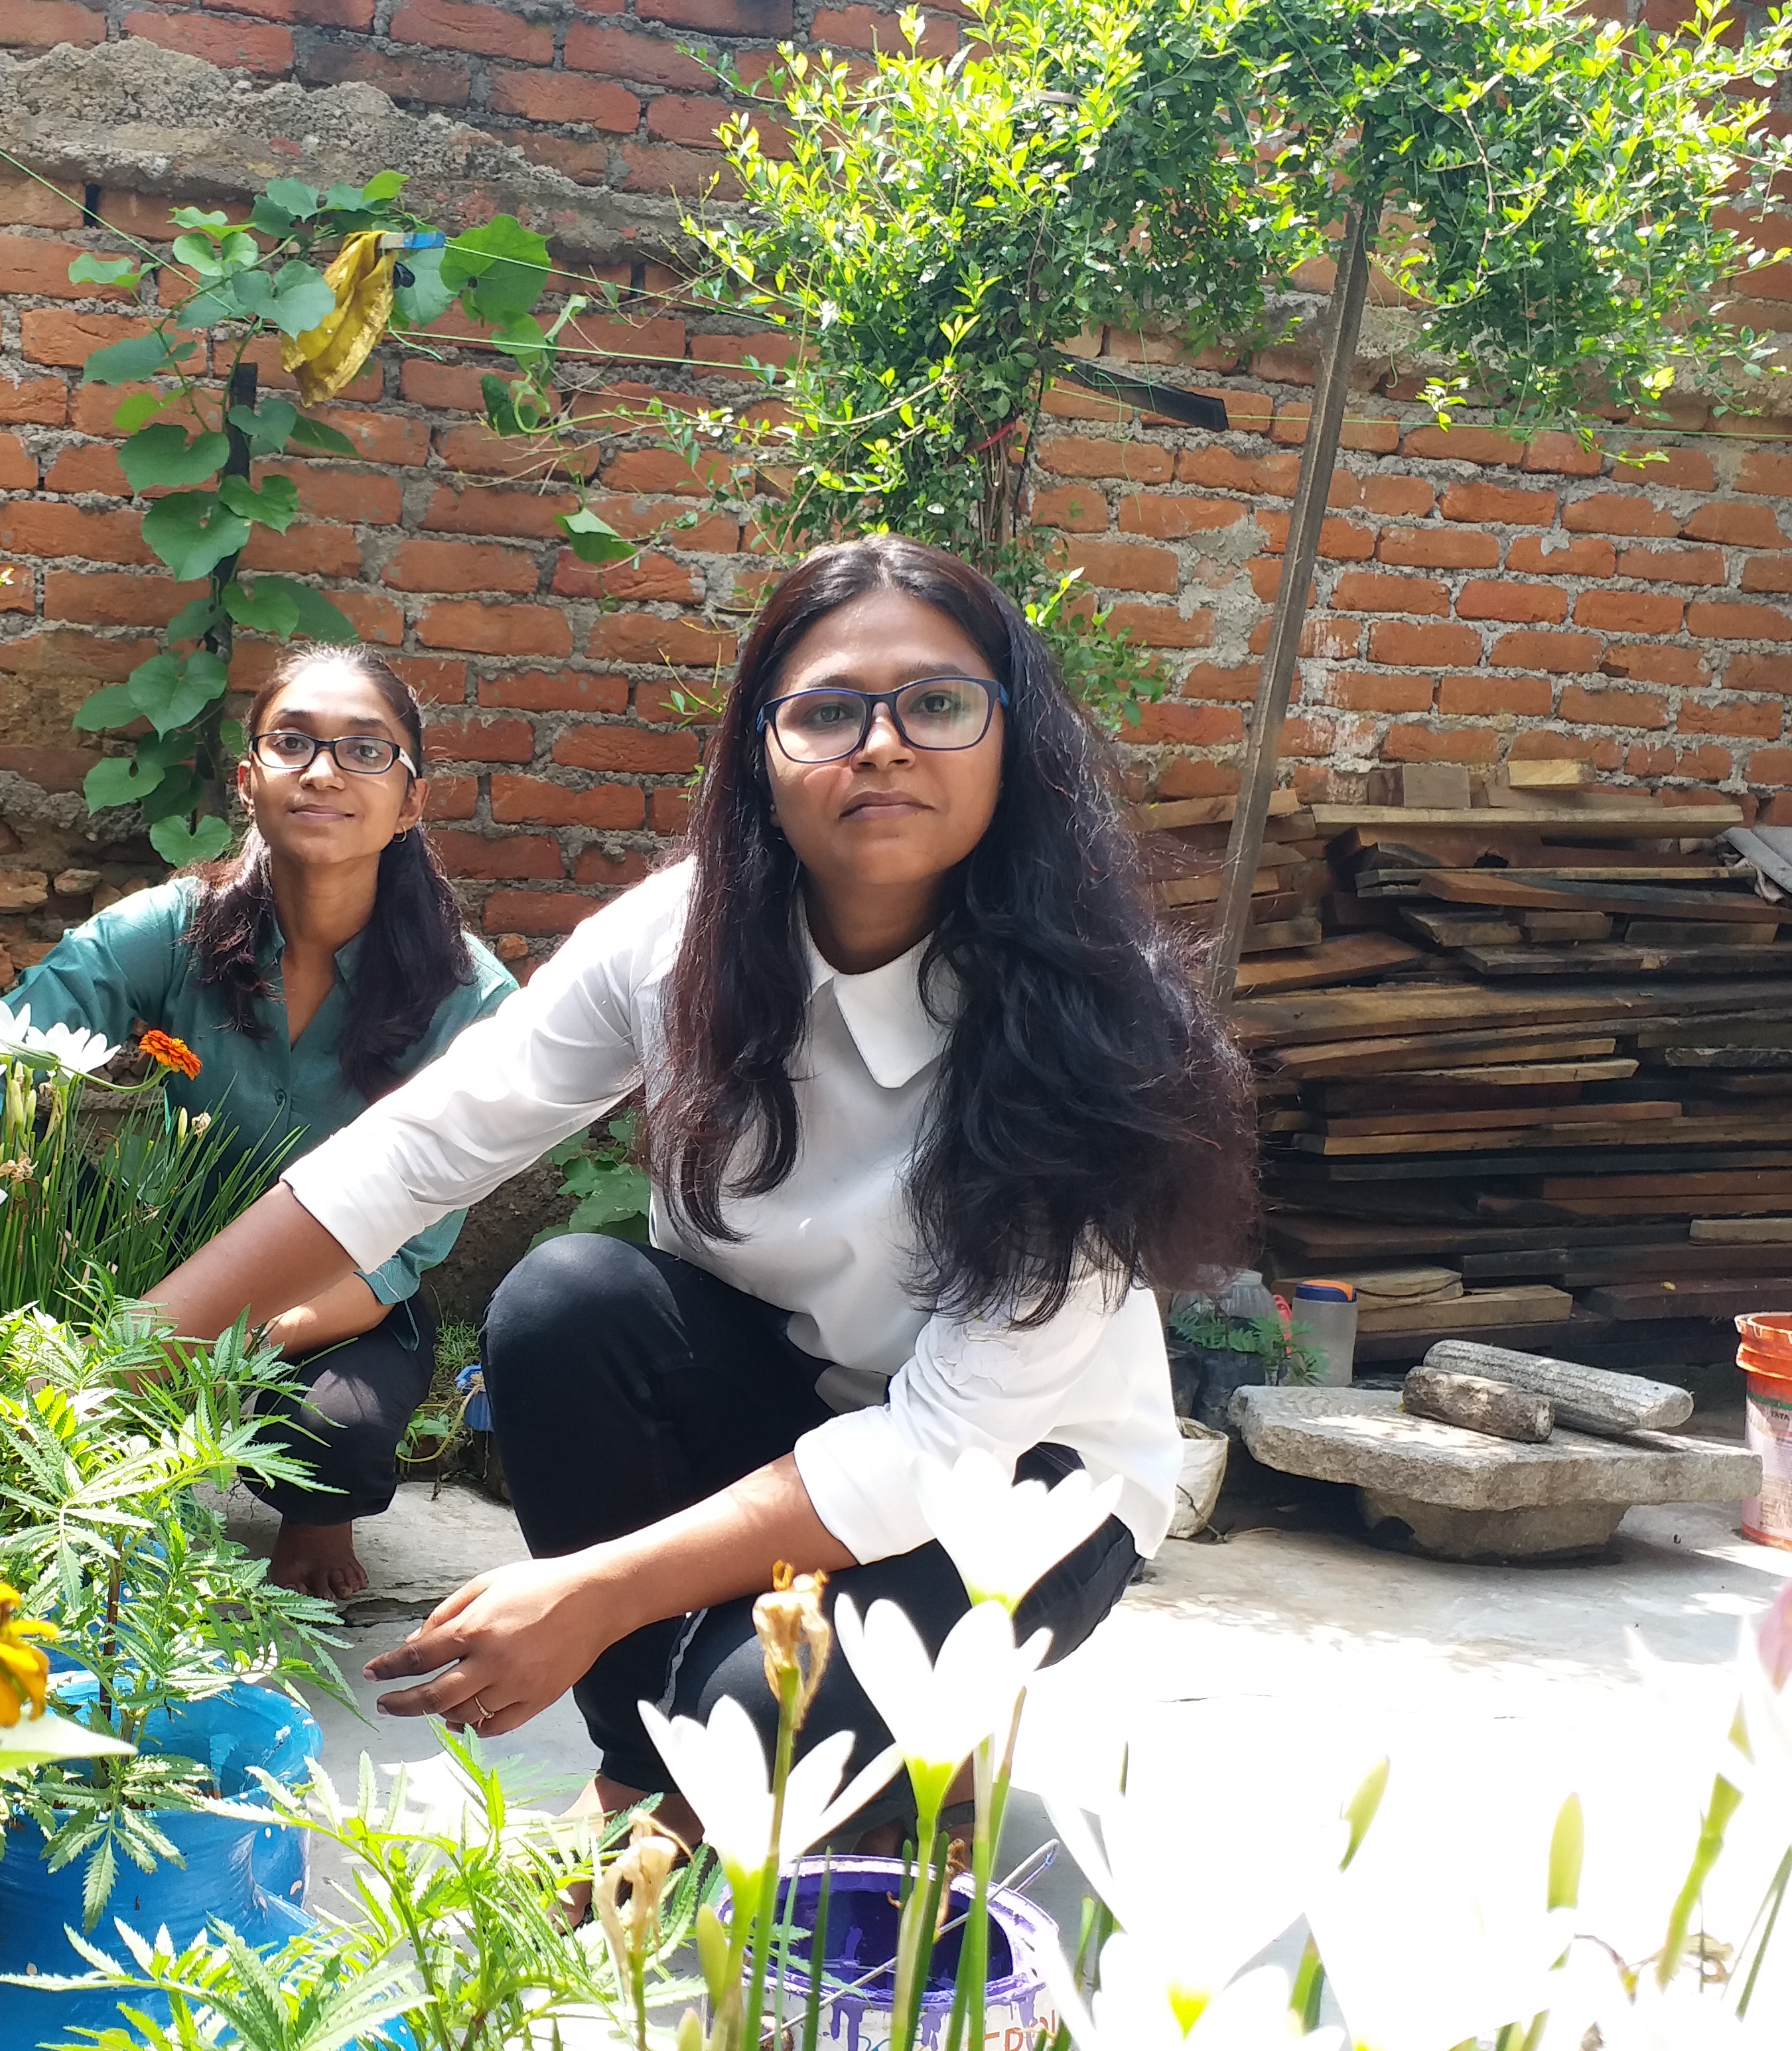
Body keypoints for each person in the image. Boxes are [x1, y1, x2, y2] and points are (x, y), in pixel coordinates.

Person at [141, 536, 1256, 1837]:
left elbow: (941, 1450)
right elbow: (426, 1143)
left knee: (750, 1731)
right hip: (784, 1402)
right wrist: (132, 1351)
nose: (882, 745)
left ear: (1012, 745)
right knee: (568, 1301)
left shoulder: (1100, 1035)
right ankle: (643, 1769)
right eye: (828, 711)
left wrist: (596, 1591)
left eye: (938, 705)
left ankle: (756, 1797)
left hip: (1016, 1487)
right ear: (761, 757)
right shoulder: (685, 939)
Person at [0, 647, 519, 1600]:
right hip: (157, 1253)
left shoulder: (468, 996)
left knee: (337, 1430)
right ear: (248, 779)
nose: (322, 771)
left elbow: (408, 1251)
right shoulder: (173, 932)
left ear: (413, 801)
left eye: (365, 752)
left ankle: (318, 1517)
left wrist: (238, 1347)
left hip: (337, 1301)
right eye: (294, 743)